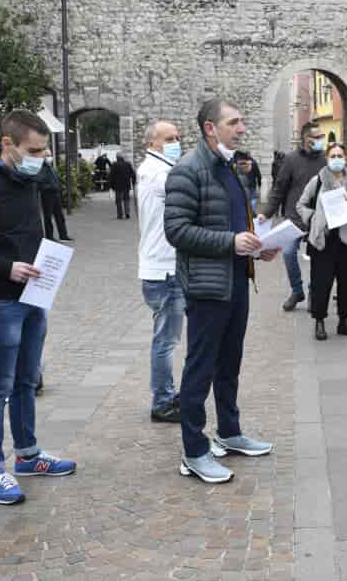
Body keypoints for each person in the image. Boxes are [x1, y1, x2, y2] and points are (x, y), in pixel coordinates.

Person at [0, 110, 77, 506]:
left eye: (44, 151)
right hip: (0, 300)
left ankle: (27, 455)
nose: (41, 158)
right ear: (7, 144)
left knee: (27, 381)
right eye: (34, 150)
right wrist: (4, 267)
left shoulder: (30, 178)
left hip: (33, 297)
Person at [165, 99, 277, 484]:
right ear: (211, 128)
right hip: (207, 286)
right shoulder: (187, 171)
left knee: (229, 364)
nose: (242, 128)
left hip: (236, 280)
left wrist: (259, 246)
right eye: (235, 122)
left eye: (242, 121)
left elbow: (236, 222)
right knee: (200, 368)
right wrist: (231, 242)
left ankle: (229, 433)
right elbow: (176, 231)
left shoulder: (231, 168)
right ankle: (194, 452)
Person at [136, 120, 184, 423]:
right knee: (166, 339)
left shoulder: (151, 169)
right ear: (153, 143)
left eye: (178, 137)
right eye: (169, 138)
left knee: (166, 337)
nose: (176, 142)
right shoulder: (160, 174)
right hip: (164, 269)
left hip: (160, 266)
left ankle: (166, 392)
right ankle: (162, 400)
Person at [297, 143, 347, 340]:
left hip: (345, 241)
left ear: (345, 159)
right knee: (321, 283)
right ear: (327, 159)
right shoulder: (317, 180)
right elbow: (300, 204)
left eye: (340, 155)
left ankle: (344, 320)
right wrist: (313, 218)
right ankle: (319, 321)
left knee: (345, 284)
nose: (337, 159)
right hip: (323, 240)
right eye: (333, 155)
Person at [260, 122, 327, 311]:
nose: (321, 140)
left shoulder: (325, 159)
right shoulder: (290, 160)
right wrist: (266, 213)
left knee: (319, 258)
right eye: (317, 136)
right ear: (306, 139)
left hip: (318, 219)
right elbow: (279, 189)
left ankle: (315, 292)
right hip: (294, 218)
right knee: (289, 253)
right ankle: (297, 291)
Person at [38, 157, 72, 242]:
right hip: (47, 194)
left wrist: (58, 187)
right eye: (47, 156)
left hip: (55, 193)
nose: (50, 158)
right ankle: (49, 236)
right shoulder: (42, 168)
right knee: (48, 216)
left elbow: (55, 180)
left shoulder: (50, 167)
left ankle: (63, 235)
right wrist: (50, 187)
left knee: (59, 215)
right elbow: (40, 182)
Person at [109, 153, 135, 219]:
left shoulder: (114, 164)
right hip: (126, 185)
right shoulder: (128, 164)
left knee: (118, 200)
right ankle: (127, 213)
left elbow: (111, 176)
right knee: (126, 199)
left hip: (117, 186)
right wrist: (133, 182)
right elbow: (133, 174)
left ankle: (120, 214)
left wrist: (111, 186)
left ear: (117, 157)